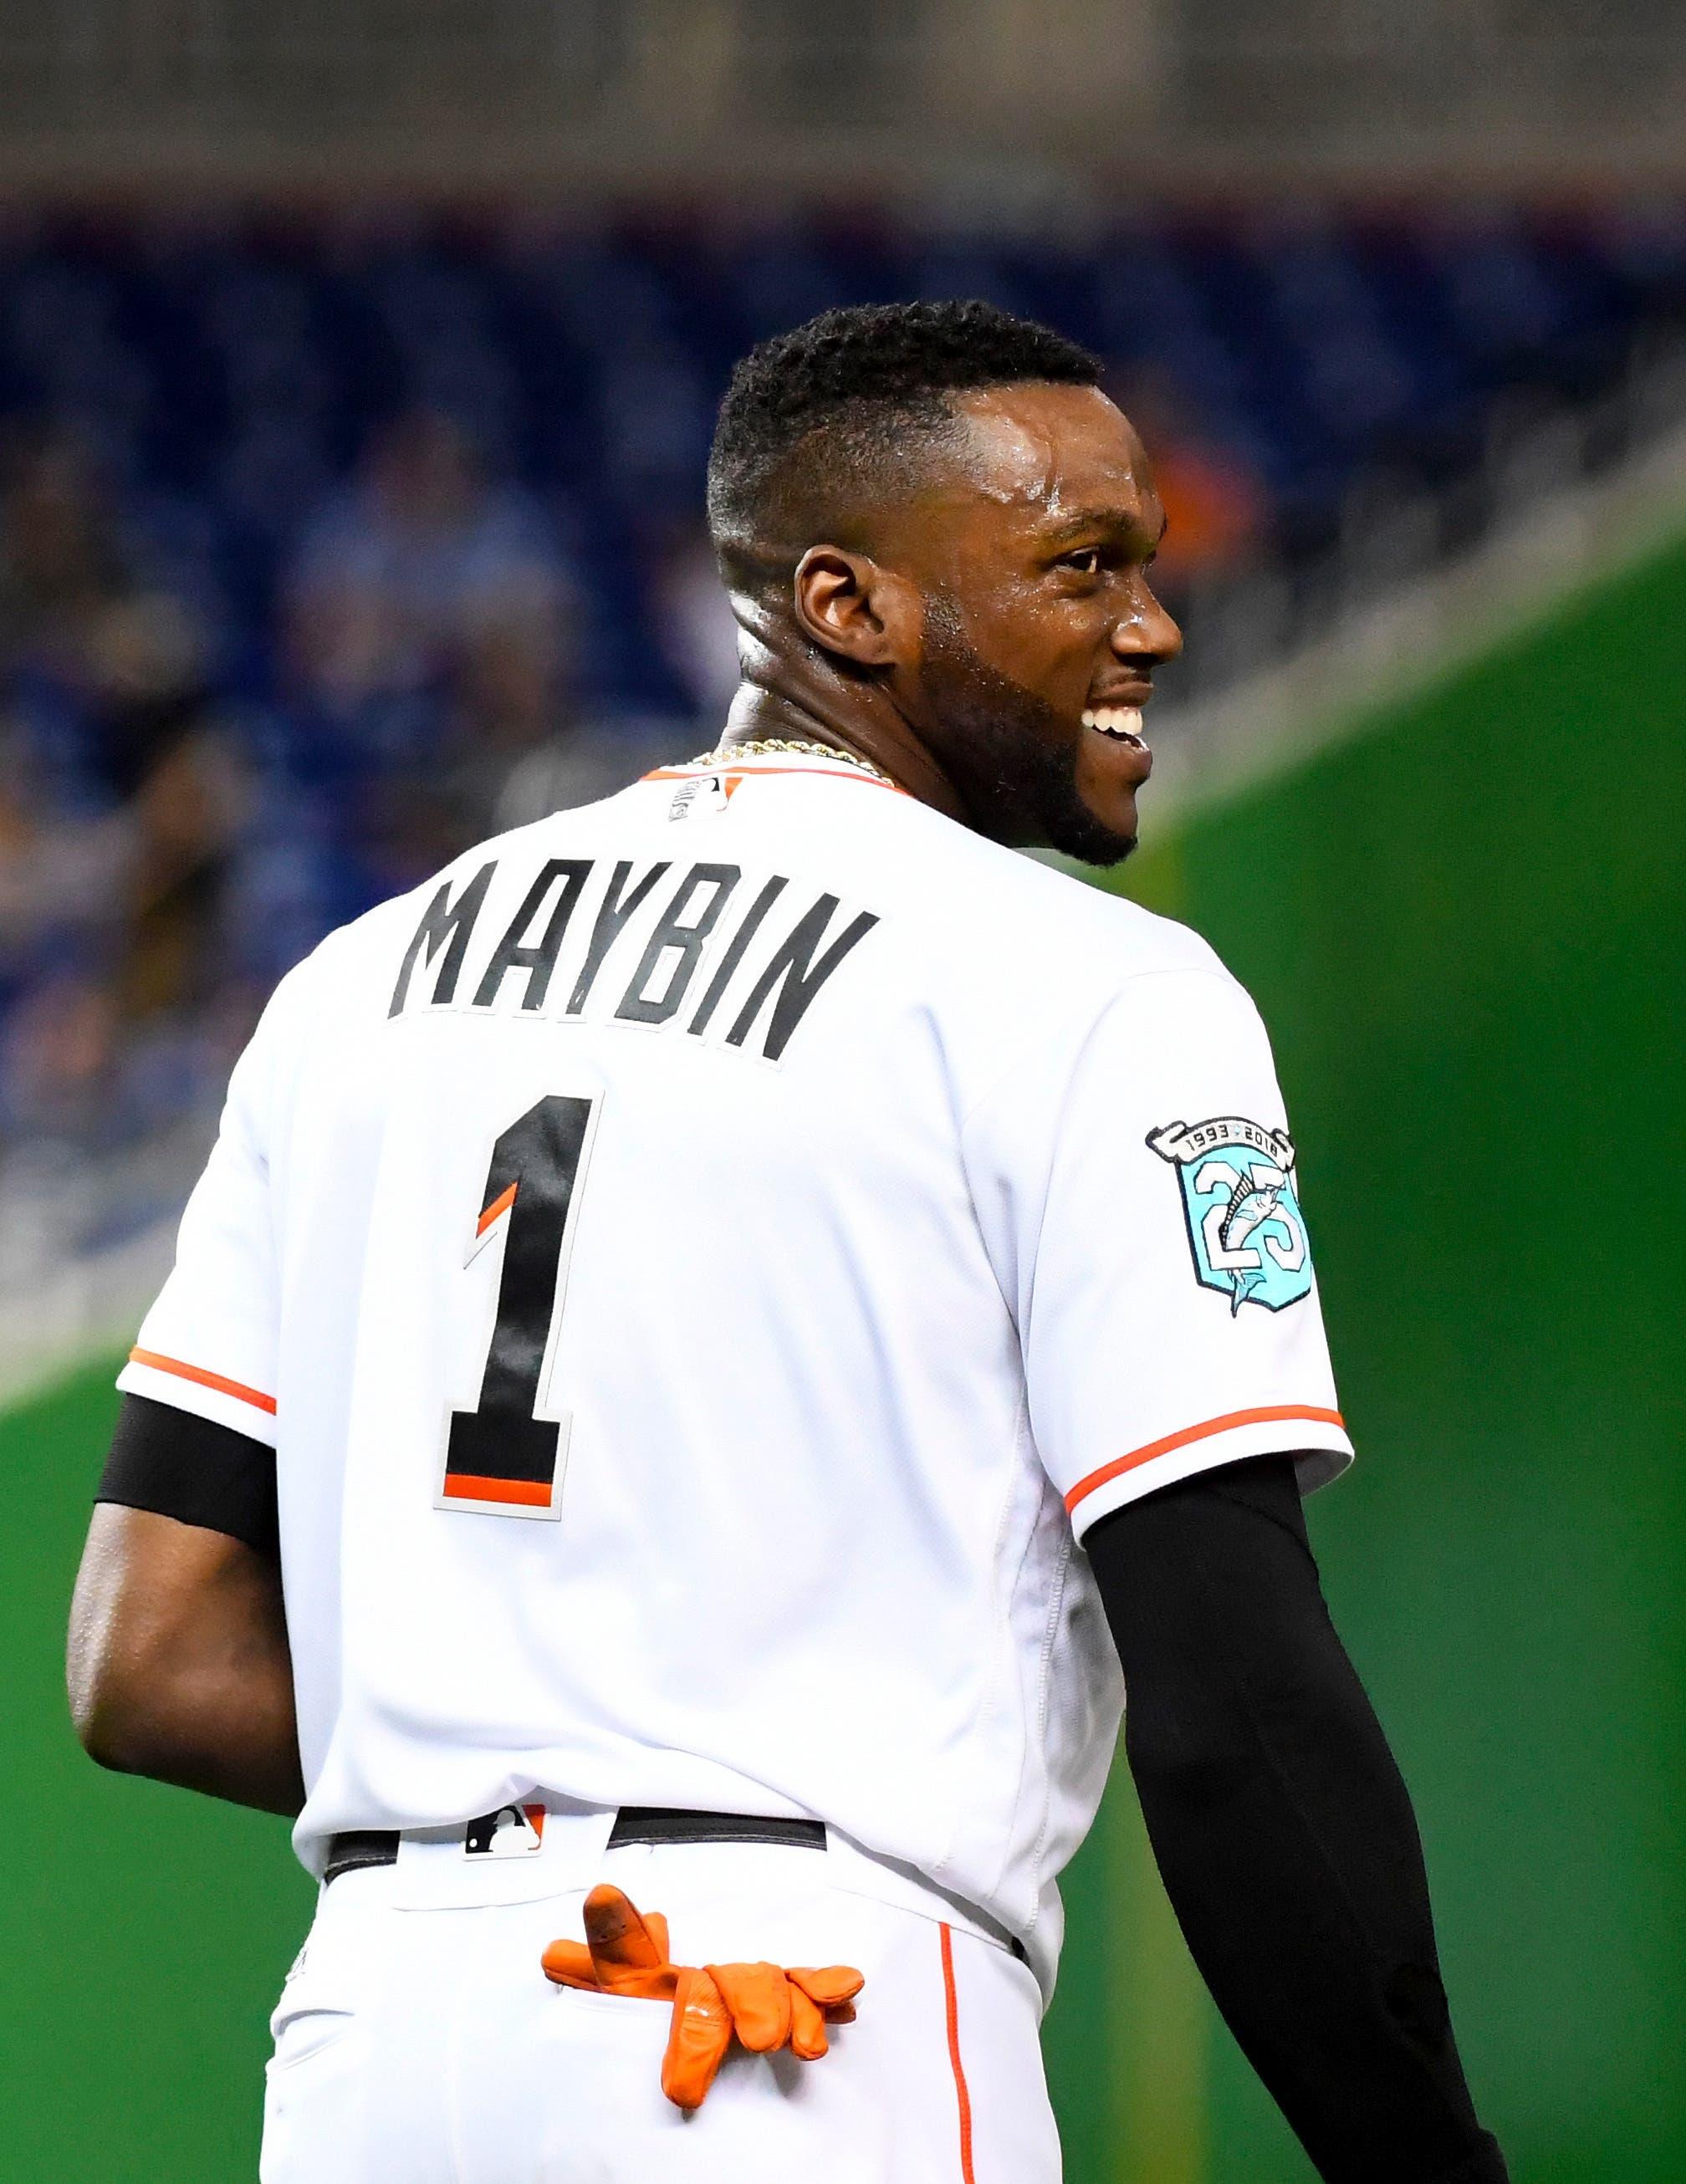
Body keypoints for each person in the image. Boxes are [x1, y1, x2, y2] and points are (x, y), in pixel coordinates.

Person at [67, 300, 1508, 2184]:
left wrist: (527, 1779)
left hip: (376, 2043)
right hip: (785, 2029)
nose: (1153, 625)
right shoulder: (1090, 990)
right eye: (1084, 565)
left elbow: (146, 1654)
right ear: (848, 607)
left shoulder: (363, 977)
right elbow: (1236, 1704)